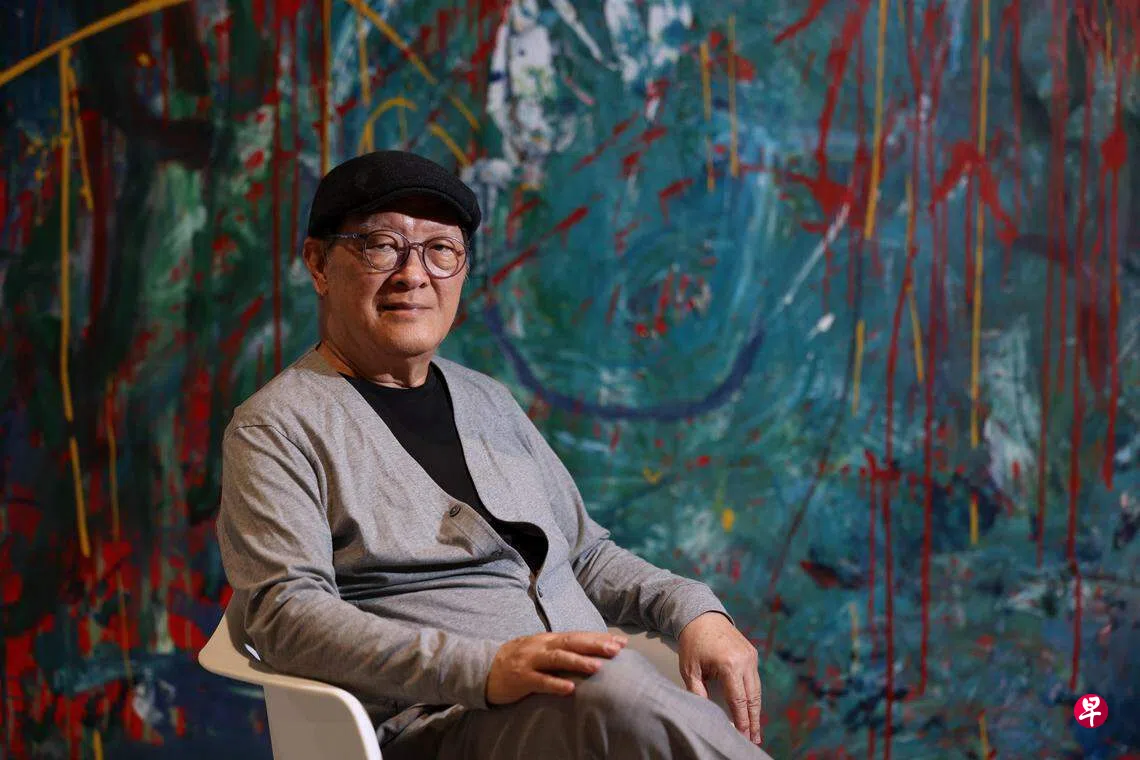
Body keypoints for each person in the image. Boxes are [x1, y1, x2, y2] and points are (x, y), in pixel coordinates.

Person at [216, 150, 770, 759]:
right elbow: (285, 616)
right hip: (438, 725)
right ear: (319, 265)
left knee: (644, 687)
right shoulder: (275, 429)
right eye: (381, 245)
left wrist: (694, 610)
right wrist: (484, 669)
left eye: (440, 250)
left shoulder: (488, 401)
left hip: (580, 709)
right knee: (615, 687)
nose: (413, 274)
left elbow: (584, 555)